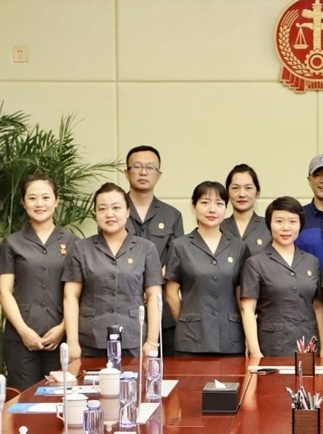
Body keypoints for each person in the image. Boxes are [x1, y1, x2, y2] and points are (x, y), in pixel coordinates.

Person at [62, 183, 163, 360]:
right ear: (95, 213)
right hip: (91, 339)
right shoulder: (81, 248)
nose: (109, 214)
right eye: (102, 209)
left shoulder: (146, 248)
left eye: (116, 208)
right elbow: (70, 296)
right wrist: (72, 342)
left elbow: (155, 296)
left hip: (133, 338)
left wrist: (152, 341)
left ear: (128, 211)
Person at [0, 174, 80, 391]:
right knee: (24, 400)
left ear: (56, 200)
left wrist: (63, 328)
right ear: (23, 202)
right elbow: (4, 291)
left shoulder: (73, 242)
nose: (39, 204)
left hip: (60, 337)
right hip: (20, 337)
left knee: (59, 398)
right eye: (32, 198)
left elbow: (79, 293)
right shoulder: (12, 243)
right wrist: (23, 330)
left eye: (46, 197)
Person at [164, 181, 250, 354]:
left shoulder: (238, 247)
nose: (212, 209)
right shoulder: (180, 246)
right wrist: (187, 323)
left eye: (219, 204)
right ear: (193, 207)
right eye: (204, 202)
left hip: (230, 338)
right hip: (191, 340)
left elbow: (242, 295)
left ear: (226, 208)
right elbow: (171, 293)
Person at [240, 196, 323, 357]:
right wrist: (255, 352)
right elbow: (248, 309)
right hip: (272, 345)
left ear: (300, 225)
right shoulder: (255, 263)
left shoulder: (312, 262)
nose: (286, 228)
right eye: (279, 221)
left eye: (292, 221)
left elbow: (318, 306)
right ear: (269, 224)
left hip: (307, 344)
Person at [123, 145, 183, 356]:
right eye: (137, 166)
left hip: (162, 309)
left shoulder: (172, 215)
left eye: (150, 167)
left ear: (159, 174)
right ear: (126, 172)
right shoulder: (114, 211)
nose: (143, 172)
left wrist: (152, 286)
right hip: (125, 308)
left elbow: (175, 259)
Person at [221, 164, 271, 256]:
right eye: (235, 188)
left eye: (248, 188)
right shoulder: (219, 228)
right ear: (227, 193)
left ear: (257, 193)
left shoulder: (269, 227)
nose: (242, 194)